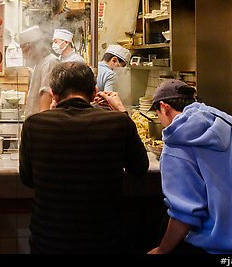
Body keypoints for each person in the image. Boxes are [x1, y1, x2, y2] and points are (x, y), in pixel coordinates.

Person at [19, 61, 149, 253]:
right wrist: (122, 111)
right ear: (95, 92)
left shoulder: (35, 124)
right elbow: (139, 168)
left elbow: (27, 179)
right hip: (105, 241)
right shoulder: (118, 122)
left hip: (49, 240)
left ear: (54, 94)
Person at [147, 79, 232, 254]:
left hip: (224, 249)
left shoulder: (176, 143)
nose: (160, 121)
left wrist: (161, 250)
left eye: (157, 115)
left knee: (163, 229)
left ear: (164, 107)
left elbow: (184, 214)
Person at [18, 25, 60, 119]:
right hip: (35, 120)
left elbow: (47, 95)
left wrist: (41, 123)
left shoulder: (49, 62)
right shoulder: (39, 63)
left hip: (41, 123)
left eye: (23, 48)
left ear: (31, 46)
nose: (23, 53)